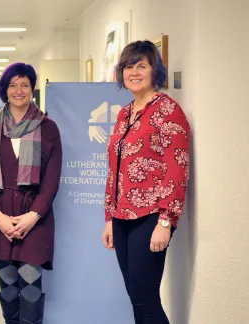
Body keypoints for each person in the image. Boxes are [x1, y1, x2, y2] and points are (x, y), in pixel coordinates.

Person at [101, 40, 190, 324]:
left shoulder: (168, 111)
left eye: (142, 66)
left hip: (151, 216)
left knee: (145, 300)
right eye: (129, 66)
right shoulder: (125, 113)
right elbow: (114, 169)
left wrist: (166, 221)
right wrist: (109, 218)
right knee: (135, 297)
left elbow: (178, 169)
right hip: (121, 215)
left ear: (155, 71)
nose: (134, 72)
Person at [0, 63, 62, 324]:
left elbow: (51, 181)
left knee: (31, 289)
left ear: (32, 88)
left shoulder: (48, 128)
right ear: (5, 90)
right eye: (13, 85)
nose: (19, 90)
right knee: (8, 288)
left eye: (25, 84)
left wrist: (32, 216)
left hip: (35, 218)